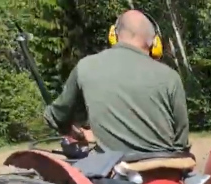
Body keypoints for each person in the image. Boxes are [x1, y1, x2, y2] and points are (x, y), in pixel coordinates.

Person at [43, 10, 190, 156]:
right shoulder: (171, 77)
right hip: (161, 170)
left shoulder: (86, 67)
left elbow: (55, 117)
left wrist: (74, 132)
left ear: (113, 35)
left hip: (110, 172)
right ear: (154, 42)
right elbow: (181, 143)